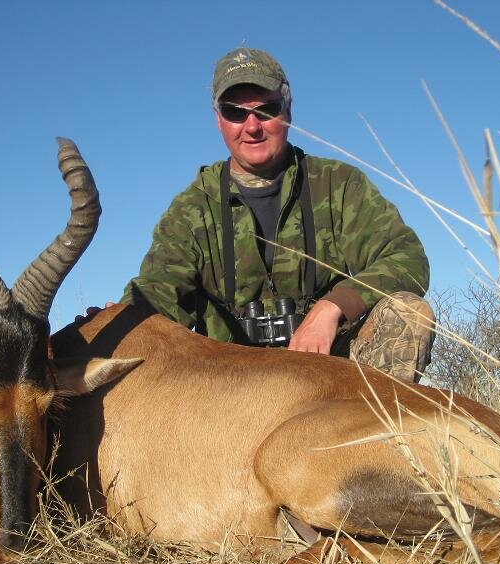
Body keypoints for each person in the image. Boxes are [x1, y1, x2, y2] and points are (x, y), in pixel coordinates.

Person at [113, 47, 435, 382]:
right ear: (218, 119)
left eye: (266, 109)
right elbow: (158, 289)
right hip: (229, 383)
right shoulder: (192, 208)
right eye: (235, 113)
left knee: (408, 312)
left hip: (328, 371)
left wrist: (332, 307)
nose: (251, 126)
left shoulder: (338, 184)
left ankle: (379, 433)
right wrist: (120, 321)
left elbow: (407, 258)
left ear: (288, 111)